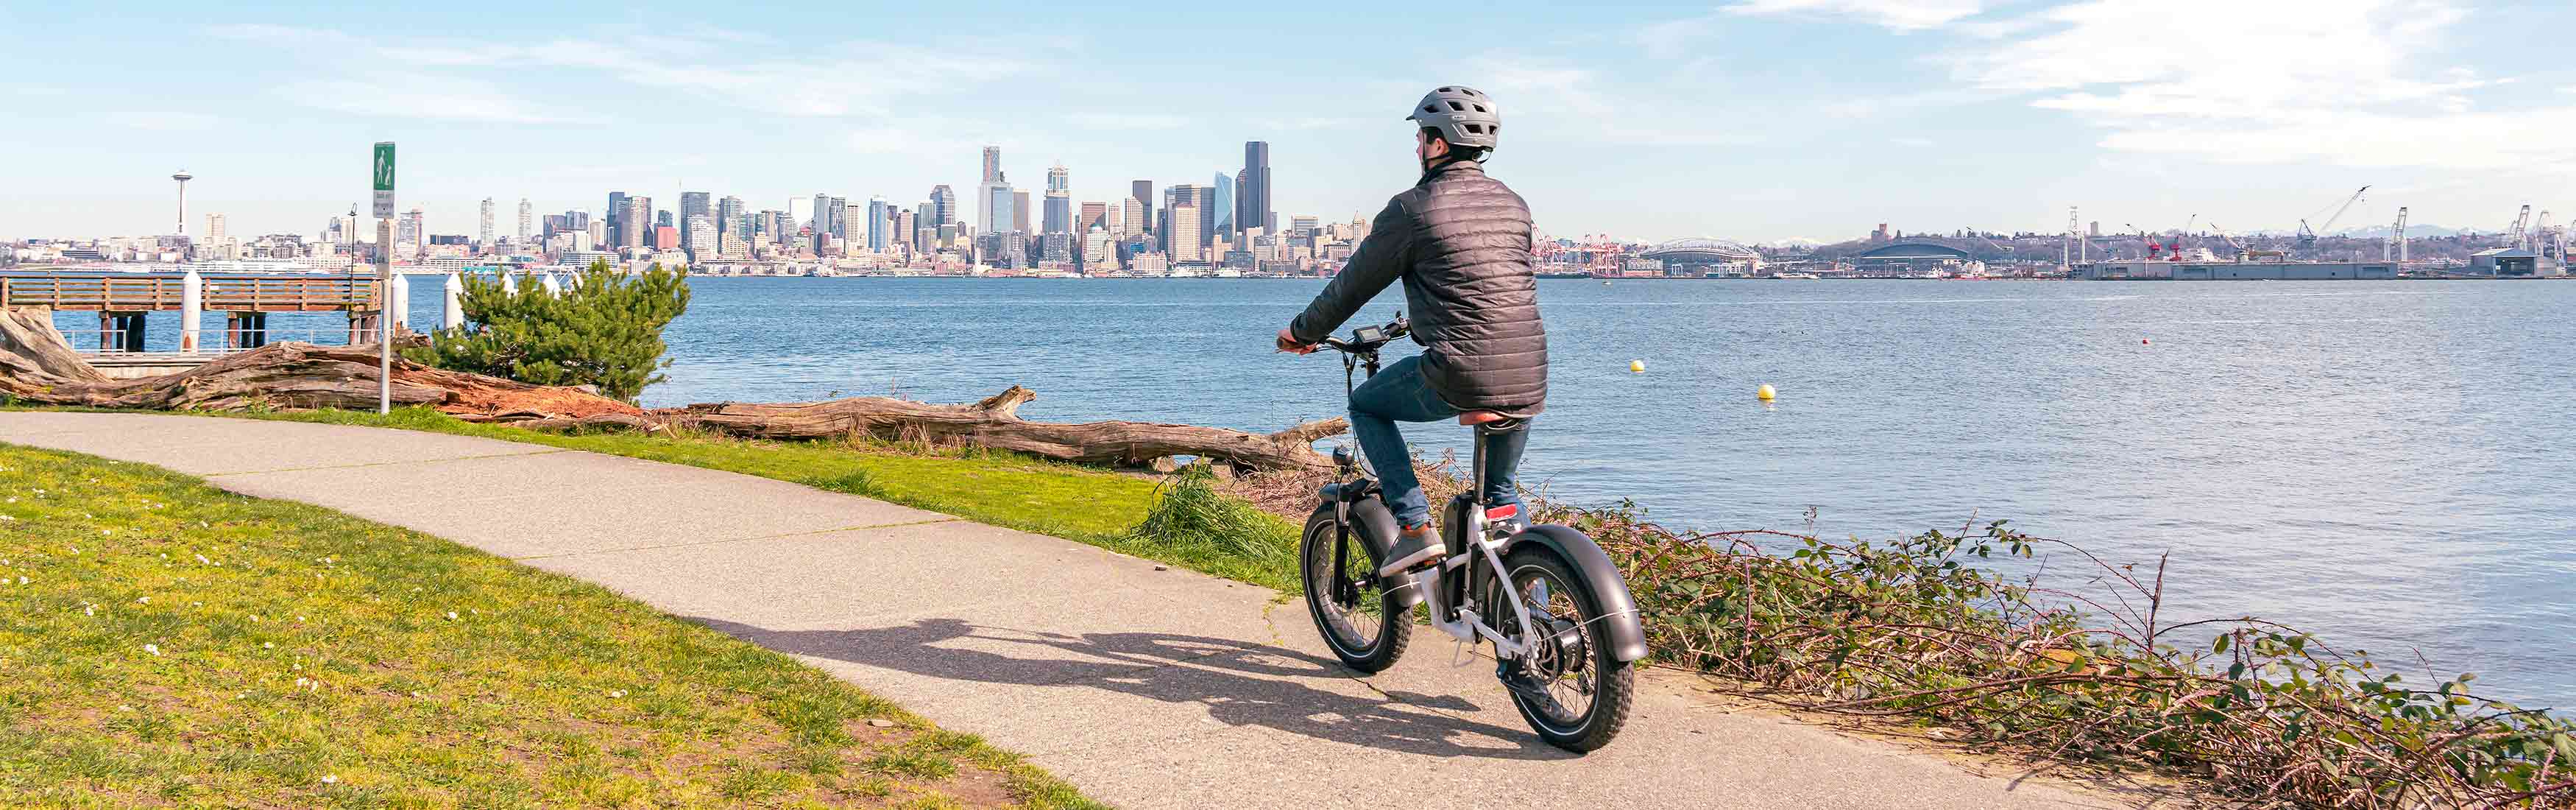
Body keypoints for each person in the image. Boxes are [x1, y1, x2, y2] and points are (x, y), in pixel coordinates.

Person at [1276, 85, 1546, 577]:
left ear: (1438, 145)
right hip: (1528, 374)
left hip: (1461, 372)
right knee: (1502, 497)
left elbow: (1351, 287)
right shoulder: (1514, 203)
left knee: (1366, 405)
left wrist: (1302, 331)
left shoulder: (1412, 208)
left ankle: (1417, 527)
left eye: (1421, 136)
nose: (1417, 146)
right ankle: (1533, 623)